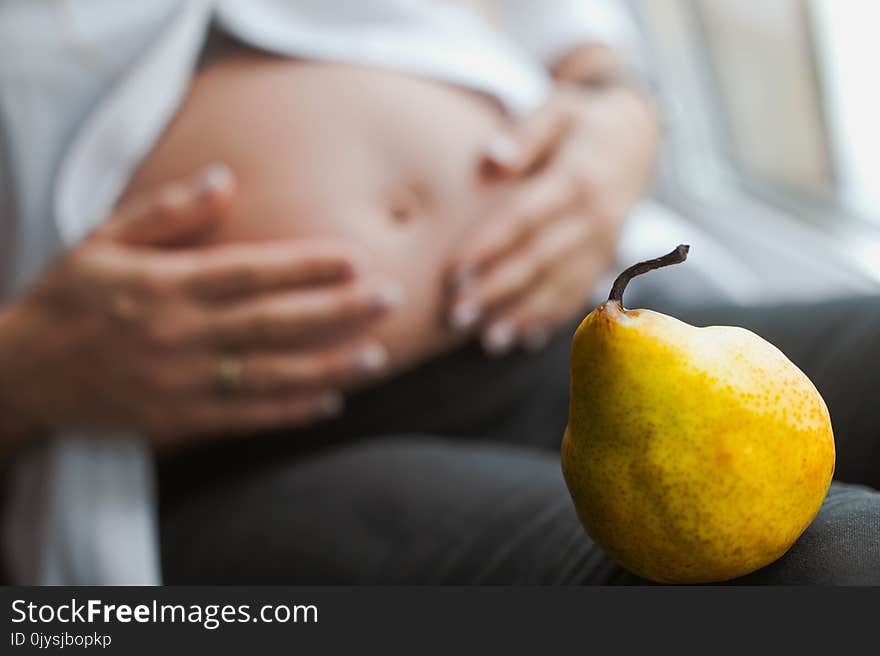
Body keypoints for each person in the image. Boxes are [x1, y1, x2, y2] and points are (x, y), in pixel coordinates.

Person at [0, 0, 877, 585]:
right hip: (238, 450)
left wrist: (615, 101)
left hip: (554, 331)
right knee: (835, 571)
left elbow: (565, 23)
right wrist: (22, 365)